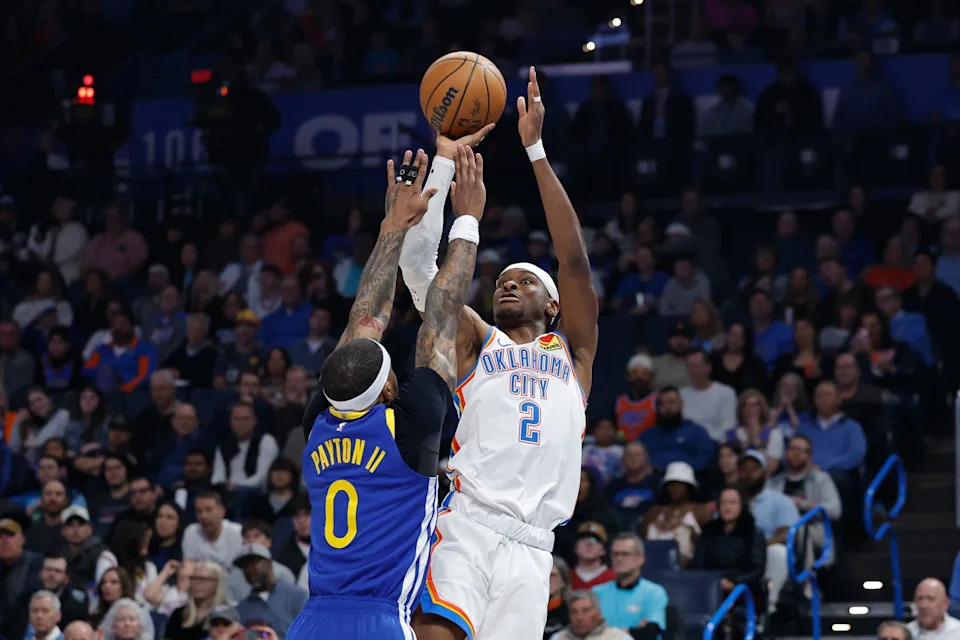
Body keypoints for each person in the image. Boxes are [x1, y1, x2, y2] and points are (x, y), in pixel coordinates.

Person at [402, 69, 600, 640]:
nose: (508, 285)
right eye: (504, 281)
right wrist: (444, 164)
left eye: (525, 281)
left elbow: (577, 261)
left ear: (555, 305)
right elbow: (419, 272)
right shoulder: (477, 340)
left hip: (535, 546)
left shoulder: (574, 355)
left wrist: (535, 148)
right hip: (468, 523)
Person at [289, 144, 482, 640]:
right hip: (377, 621)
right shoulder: (407, 429)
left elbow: (362, 324)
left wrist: (392, 226)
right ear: (390, 386)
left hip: (310, 621)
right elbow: (440, 313)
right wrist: (467, 220)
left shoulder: (316, 426)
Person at [691, 487, 766, 601]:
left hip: (743, 589)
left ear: (742, 505)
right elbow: (698, 565)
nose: (727, 507)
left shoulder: (754, 533)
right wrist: (714, 582)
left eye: (732, 503)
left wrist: (734, 583)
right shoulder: (708, 531)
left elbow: (756, 571)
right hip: (709, 586)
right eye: (723, 503)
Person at [592, 534, 668, 637]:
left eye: (625, 554)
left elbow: (649, 633)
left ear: (641, 558)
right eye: (615, 554)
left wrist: (607, 634)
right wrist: (633, 631)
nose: (619, 559)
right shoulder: (596, 593)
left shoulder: (654, 593)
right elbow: (589, 631)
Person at [233, 544, 307, 636]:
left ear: (269, 563)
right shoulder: (242, 607)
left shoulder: (298, 596)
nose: (249, 570)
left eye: (254, 563)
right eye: (245, 567)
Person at [639, 388, 716, 472]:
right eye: (662, 404)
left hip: (688, 478)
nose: (667, 408)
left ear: (681, 404)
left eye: (672, 402)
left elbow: (707, 458)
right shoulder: (647, 435)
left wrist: (684, 468)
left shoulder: (696, 432)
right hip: (654, 479)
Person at [679, 349, 737, 442]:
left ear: (708, 368)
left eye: (696, 366)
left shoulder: (726, 393)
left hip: (716, 444)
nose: (692, 371)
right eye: (689, 366)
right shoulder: (680, 394)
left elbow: (729, 427)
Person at [181, 492, 243, 571]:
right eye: (199, 511)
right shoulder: (191, 532)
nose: (203, 516)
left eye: (208, 510)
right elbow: (188, 567)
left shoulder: (238, 533)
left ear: (222, 511)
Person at [548, 591, 632, 640]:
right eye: (574, 612)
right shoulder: (557, 638)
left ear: (598, 613)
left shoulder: (619, 638)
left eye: (586, 611)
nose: (579, 617)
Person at [614, 354, 658, 442]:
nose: (639, 377)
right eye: (634, 373)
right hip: (624, 447)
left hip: (648, 447)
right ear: (628, 377)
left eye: (644, 374)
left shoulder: (657, 400)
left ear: (651, 377)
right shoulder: (619, 402)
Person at [569, 522, 615, 591]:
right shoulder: (565, 578)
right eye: (583, 539)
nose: (589, 543)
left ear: (603, 550)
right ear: (575, 547)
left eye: (595, 540)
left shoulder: (614, 578)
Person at [545, 557, 572, 639]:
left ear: (564, 581)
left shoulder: (571, 610)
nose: (548, 579)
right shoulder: (531, 609)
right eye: (545, 575)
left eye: (553, 575)